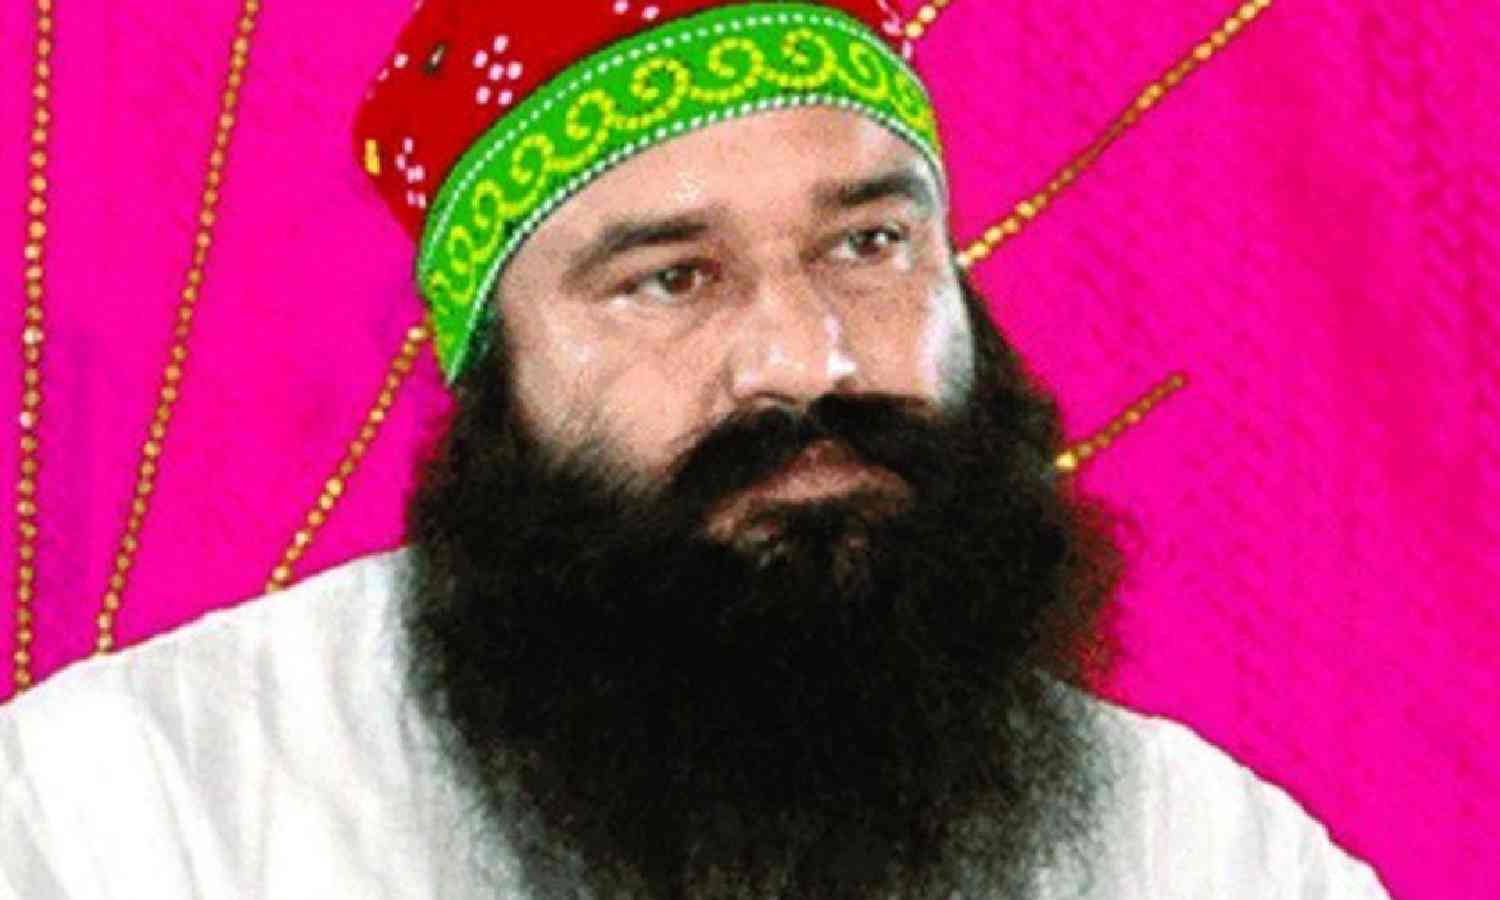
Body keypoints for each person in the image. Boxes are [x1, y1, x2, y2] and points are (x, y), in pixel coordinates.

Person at [0, 0, 1392, 897]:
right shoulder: (124, 809)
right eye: (672, 278)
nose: (811, 362)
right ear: (493, 381)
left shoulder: (1208, 853)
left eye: (869, 245)